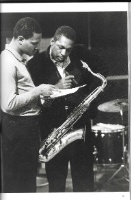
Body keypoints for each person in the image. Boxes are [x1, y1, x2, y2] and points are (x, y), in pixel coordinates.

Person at [27, 26, 107, 192]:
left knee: (85, 185)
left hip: (80, 131)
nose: (64, 54)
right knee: (56, 187)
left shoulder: (81, 55)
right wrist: (56, 88)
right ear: (52, 41)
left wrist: (88, 102)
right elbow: (32, 101)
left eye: (68, 50)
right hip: (53, 132)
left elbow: (102, 73)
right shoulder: (35, 64)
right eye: (60, 47)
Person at [1, 17, 57, 193]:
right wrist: (38, 91)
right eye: (34, 43)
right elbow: (8, 104)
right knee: (20, 185)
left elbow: (22, 95)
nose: (37, 47)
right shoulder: (7, 61)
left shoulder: (18, 59)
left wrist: (40, 99)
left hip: (25, 130)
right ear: (19, 39)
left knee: (27, 184)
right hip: (19, 131)